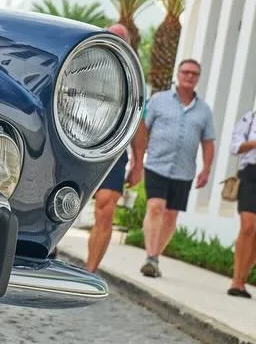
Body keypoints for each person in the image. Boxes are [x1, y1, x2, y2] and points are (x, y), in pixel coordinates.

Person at [130, 57, 215, 278]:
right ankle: (150, 256)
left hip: (184, 170)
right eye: (185, 72)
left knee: (170, 215)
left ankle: (156, 256)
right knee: (156, 207)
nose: (189, 76)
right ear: (178, 74)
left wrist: (206, 169)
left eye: (194, 74)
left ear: (198, 79)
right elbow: (142, 130)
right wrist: (138, 160)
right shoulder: (158, 100)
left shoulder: (204, 111)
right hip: (157, 164)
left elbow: (208, 142)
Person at [84, 22, 138, 274]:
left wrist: (138, 162)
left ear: (129, 43)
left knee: (105, 208)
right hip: (75, 145)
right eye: (111, 35)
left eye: (121, 38)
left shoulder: (136, 78)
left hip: (114, 151)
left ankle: (90, 270)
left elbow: (141, 123)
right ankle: (47, 252)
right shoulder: (82, 61)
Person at [229, 99, 256, 299]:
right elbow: (235, 147)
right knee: (248, 226)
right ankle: (236, 281)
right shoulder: (250, 118)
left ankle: (243, 281)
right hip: (251, 174)